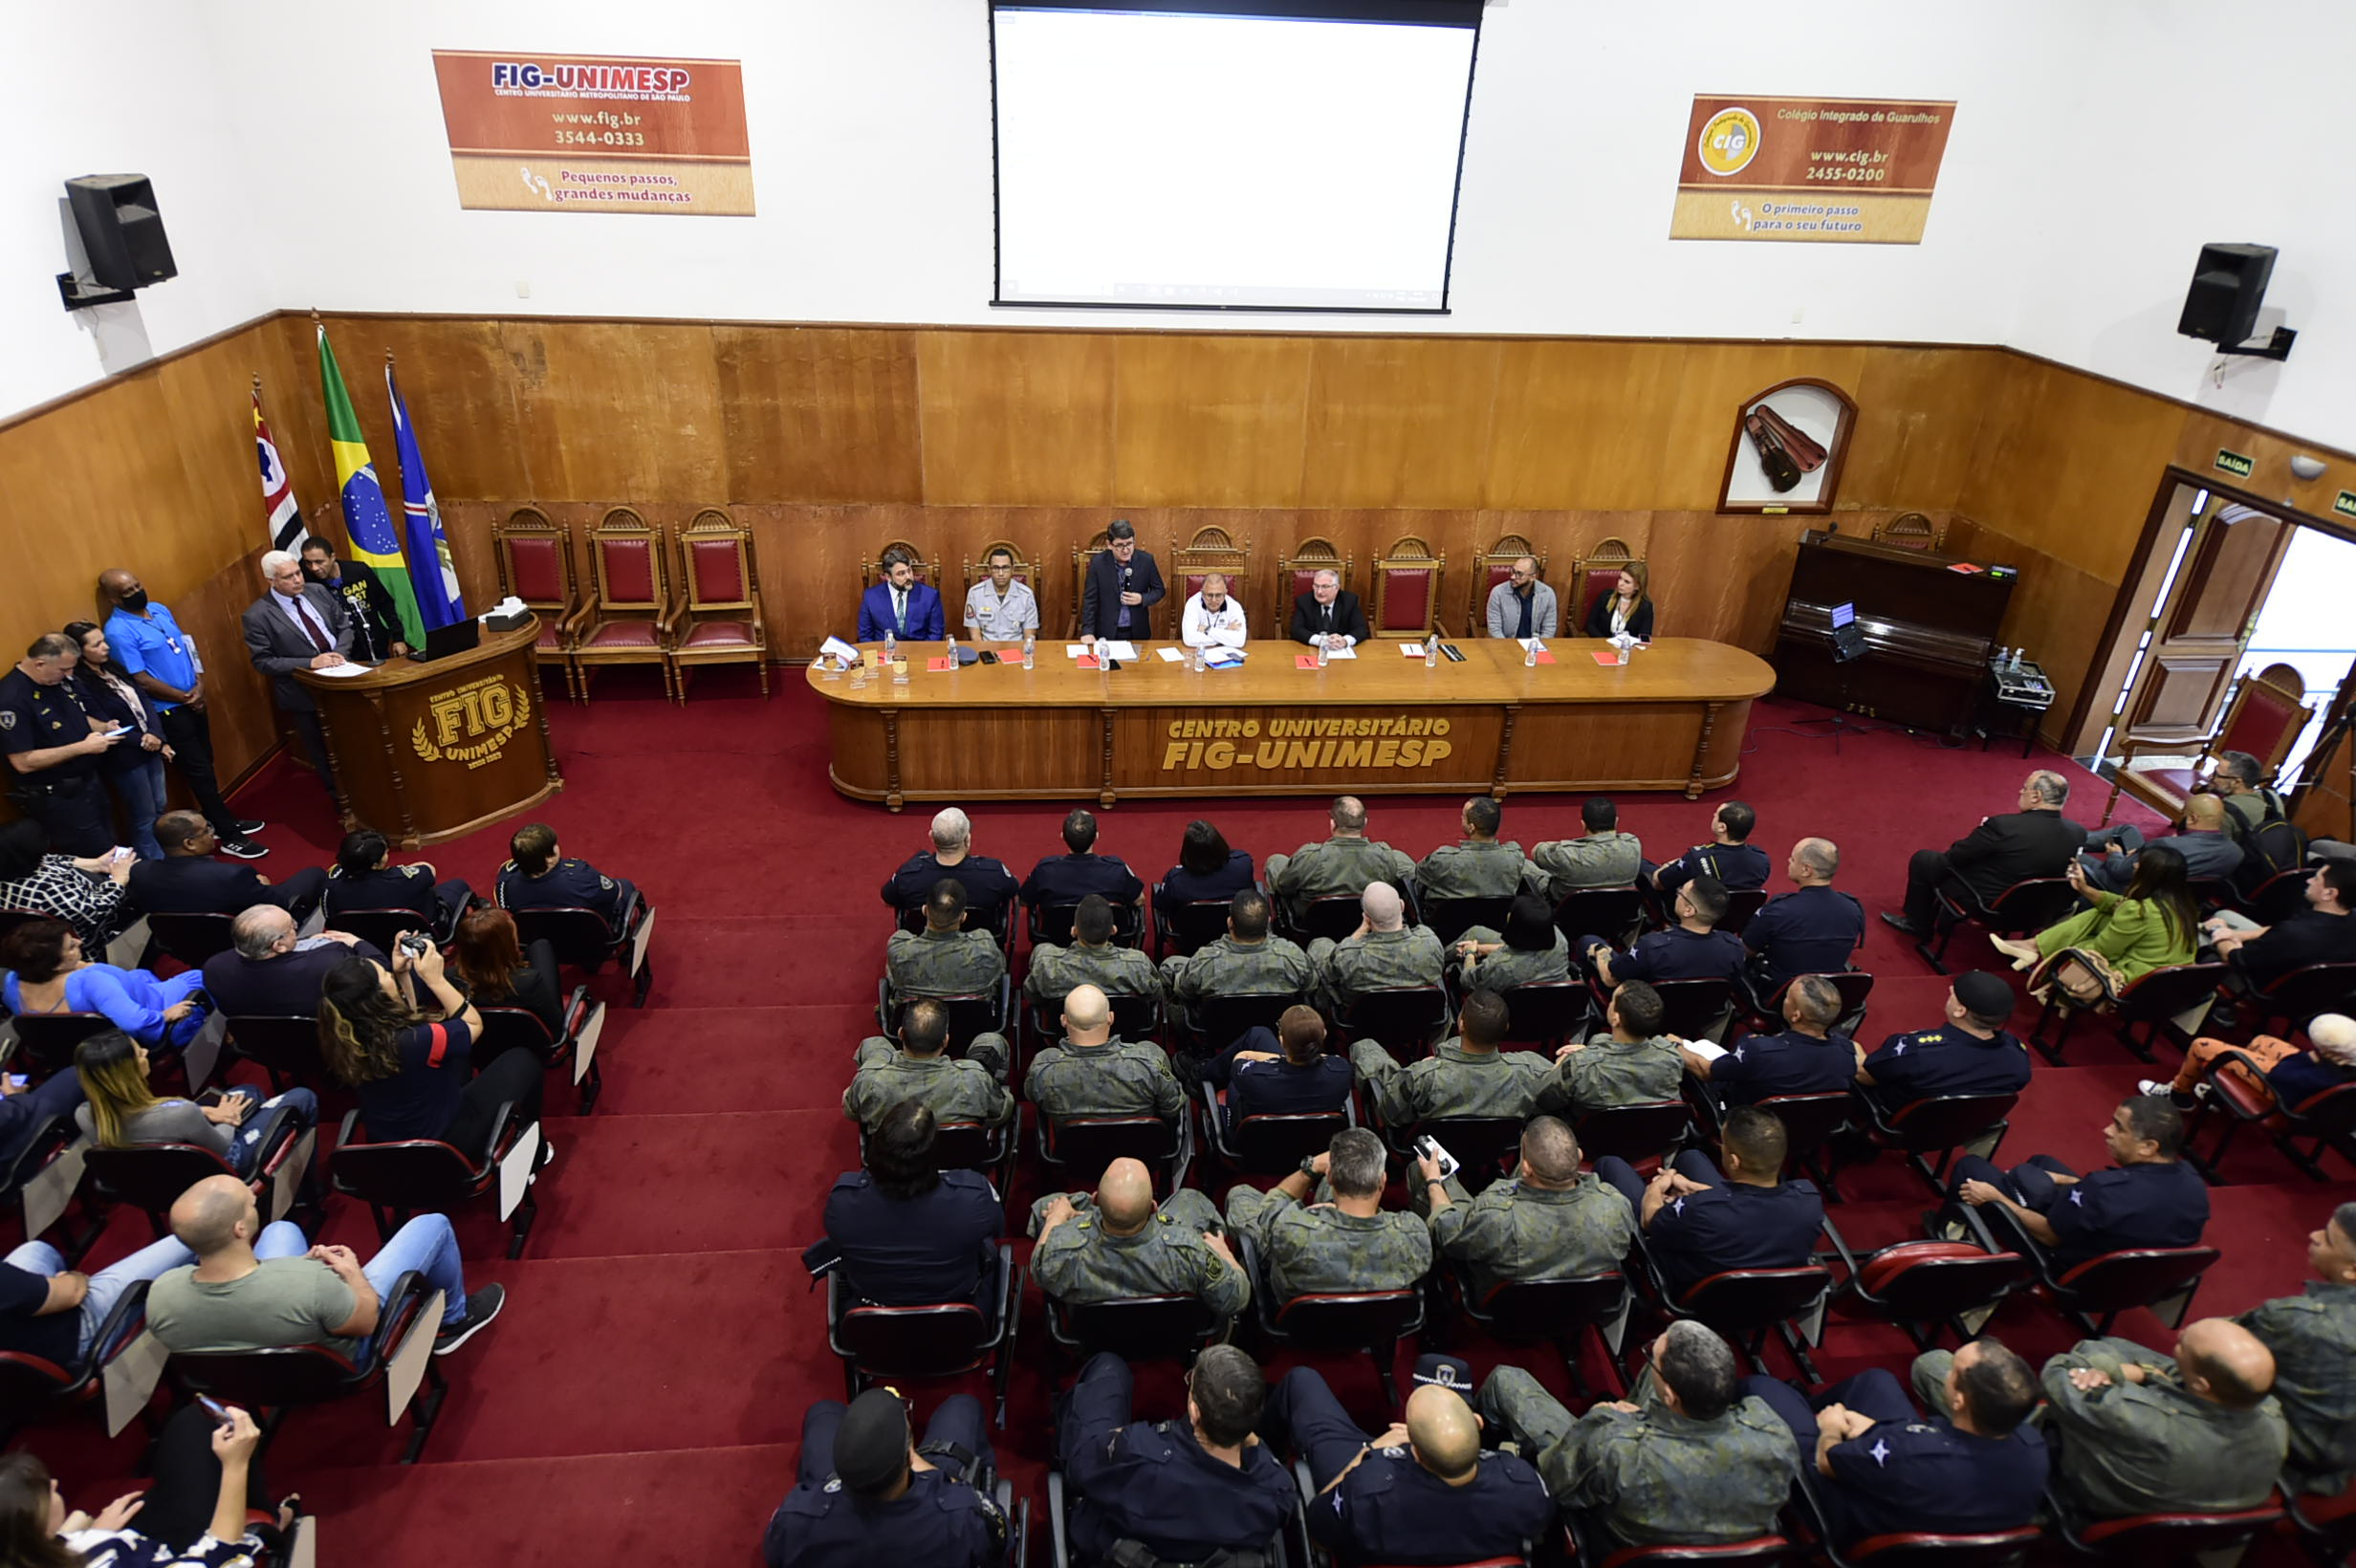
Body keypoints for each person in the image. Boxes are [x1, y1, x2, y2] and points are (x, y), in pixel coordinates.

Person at [1477, 1322, 1798, 1547]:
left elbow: (1553, 1479)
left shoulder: (1616, 1446)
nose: (1649, 1358)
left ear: (1670, 1397)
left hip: (1620, 1540)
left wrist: (1603, 1418)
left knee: (1507, 1380)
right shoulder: (1773, 1434)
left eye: (1652, 1356)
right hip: (1722, 1546)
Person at [146, 1172, 502, 1358]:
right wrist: (353, 1275)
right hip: (342, 1354)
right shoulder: (311, 1281)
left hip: (251, 1358)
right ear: (240, 1229)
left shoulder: (161, 1294)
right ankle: (453, 1322)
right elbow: (366, 1322)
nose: (255, 1201)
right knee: (433, 1225)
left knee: (281, 1229)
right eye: (249, 1202)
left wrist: (291, 1272)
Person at [1747, 1339, 2047, 1548]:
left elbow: (1828, 1462)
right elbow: (1917, 1445)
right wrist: (1875, 1430)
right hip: (1917, 1487)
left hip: (1856, 1518)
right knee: (1875, 1382)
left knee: (1763, 1387)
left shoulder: (1911, 1455)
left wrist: (1831, 1428)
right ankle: (1804, 1403)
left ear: (1959, 1400)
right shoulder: (2033, 1446)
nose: (1947, 1373)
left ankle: (1793, 1405)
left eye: (1952, 1370)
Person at [1269, 1365, 1552, 1562]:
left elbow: (1318, 1534)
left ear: (1413, 1451)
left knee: (1301, 1381)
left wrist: (1370, 1450)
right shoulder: (1526, 1487)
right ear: (1477, 1423)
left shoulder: (1368, 1491)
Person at [1058, 1346, 1297, 1565]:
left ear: (1194, 1411)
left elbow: (1081, 1469)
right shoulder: (1275, 1493)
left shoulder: (1136, 1454)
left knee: (1109, 1366)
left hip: (1112, 1553)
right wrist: (1246, 1434)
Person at [2036, 1322, 2286, 1519]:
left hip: (2098, 1505)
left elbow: (2059, 1373)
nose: (2181, 1333)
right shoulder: (2274, 1420)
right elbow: (2173, 1370)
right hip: (2194, 1521)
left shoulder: (2133, 1416)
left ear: (2201, 1386)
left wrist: (2111, 1368)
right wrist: (2145, 1371)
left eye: (2182, 1344)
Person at [98, 566, 267, 859]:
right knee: (198, 771)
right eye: (127, 592)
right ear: (114, 598)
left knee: (207, 762)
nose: (136, 592)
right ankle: (228, 835)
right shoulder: (118, 631)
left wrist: (199, 684)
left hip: (194, 699)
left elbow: (186, 646)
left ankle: (217, 819)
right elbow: (140, 679)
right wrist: (184, 698)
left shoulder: (158, 609)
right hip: (169, 711)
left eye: (137, 585)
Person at [318, 940, 545, 1157]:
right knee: (523, 1059)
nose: (389, 974)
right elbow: (473, 1024)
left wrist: (402, 974)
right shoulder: (418, 1040)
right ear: (379, 996)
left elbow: (406, 1020)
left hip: (389, 1141)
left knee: (457, 1060)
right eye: (386, 975)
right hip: (448, 1140)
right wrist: (437, 980)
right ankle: (536, 1152)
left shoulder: (342, 1038)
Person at [1943, 1094, 2210, 1269]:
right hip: (2122, 1268)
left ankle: (1950, 1233)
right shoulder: (2194, 1187)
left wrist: (1996, 1198)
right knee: (2042, 1163)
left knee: (1972, 1168)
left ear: (2148, 1147)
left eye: (2119, 1127)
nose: (2107, 1131)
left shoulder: (2103, 1190)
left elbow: (2050, 1236)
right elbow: (2106, 1199)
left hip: (2063, 1260)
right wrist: (2069, 1182)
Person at [11, 1403, 293, 1566]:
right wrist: (235, 1466)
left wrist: (88, 1536)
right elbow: (217, 1559)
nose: (54, 1483)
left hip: (114, 1546)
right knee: (204, 1429)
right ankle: (272, 1523)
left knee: (193, 1421)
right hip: (184, 1557)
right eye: (42, 1491)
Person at [761, 1387, 1003, 1568]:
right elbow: (1001, 1542)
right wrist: (919, 1462)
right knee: (962, 1406)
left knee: (823, 1412)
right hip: (930, 1496)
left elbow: (775, 1555)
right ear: (908, 1458)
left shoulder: (795, 1520)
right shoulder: (963, 1517)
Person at [1602, 1106, 1824, 1296]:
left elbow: (1649, 1220)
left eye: (1723, 1144)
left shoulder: (1701, 1211)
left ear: (1734, 1161)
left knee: (1611, 1165)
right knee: (1692, 1157)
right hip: (1771, 1293)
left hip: (1698, 1292)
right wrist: (1694, 1188)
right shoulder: (1809, 1200)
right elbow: (1746, 1206)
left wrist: (1658, 1186)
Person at [1419, 1115, 1636, 1298]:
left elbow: (1444, 1230)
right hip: (1581, 1305)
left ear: (1526, 1168)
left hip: (1505, 1306)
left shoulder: (1496, 1218)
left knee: (1419, 1171)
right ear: (1579, 1156)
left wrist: (1434, 1181)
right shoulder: (1615, 1206)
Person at [821, 1101, 1001, 1306]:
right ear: (937, 1155)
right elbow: (997, 1228)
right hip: (959, 1309)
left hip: (873, 1312)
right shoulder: (974, 1196)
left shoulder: (842, 1202)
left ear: (875, 1149)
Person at [1224, 1128, 1431, 1303]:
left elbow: (1274, 1204)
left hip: (1300, 1316)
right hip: (1376, 1323)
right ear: (1383, 1181)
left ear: (1330, 1175)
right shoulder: (1413, 1235)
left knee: (1240, 1195)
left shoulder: (1290, 1231)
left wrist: (1311, 1168)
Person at [75, 1029, 316, 1179]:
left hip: (159, 1177)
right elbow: (224, 1148)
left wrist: (204, 1111)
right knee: (302, 1097)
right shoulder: (181, 1113)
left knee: (248, 1092)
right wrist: (228, 1116)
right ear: (127, 1073)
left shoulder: (84, 1114)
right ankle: (305, 1183)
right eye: (139, 1053)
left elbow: (161, 1121)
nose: (146, 1052)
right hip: (222, 1168)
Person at [1030, 1158, 1247, 1319]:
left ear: (1094, 1200)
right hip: (1167, 1333)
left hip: (1094, 1337)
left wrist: (1056, 1219)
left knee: (1049, 1205)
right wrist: (1225, 1254)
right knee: (1191, 1198)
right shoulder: (1191, 1251)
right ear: (1154, 1208)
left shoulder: (1062, 1252)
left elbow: (1039, 1266)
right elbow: (1235, 1299)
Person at [2236, 1204, 2356, 1494]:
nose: (2313, 1235)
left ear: (2352, 1269)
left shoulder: (2295, 1320)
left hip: (2289, 1463)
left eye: (2327, 1238)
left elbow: (2214, 1357)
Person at [1884, 770, 2088, 937]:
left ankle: (1917, 924)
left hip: (1989, 907)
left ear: (2036, 796)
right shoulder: (2078, 833)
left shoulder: (2003, 826)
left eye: (2024, 788)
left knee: (1924, 860)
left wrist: (1980, 833)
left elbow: (1956, 856)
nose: (2020, 791)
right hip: (2038, 911)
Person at [1991, 844, 2196, 1005]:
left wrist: (2067, 948)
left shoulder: (2139, 911)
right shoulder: (2184, 907)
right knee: (2101, 913)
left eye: (2139, 864)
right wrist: (2084, 888)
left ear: (2149, 875)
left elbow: (2104, 950)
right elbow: (2118, 905)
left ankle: (2037, 952)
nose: (2134, 866)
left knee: (2086, 941)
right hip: (2165, 985)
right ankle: (2032, 946)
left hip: (2132, 980)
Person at [0, 1219, 195, 1376]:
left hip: (14, 1357)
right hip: (74, 1342)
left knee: (34, 1250)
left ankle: (41, 1290)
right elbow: (73, 1293)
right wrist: (71, 1279)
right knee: (191, 1237)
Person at [239, 549, 354, 800]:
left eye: (298, 573)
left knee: (354, 741)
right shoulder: (257, 616)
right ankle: (341, 800)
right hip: (304, 694)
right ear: (271, 580)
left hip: (344, 678)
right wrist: (311, 662)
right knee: (323, 750)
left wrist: (339, 653)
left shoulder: (317, 591)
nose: (298, 580)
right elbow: (263, 662)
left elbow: (344, 627)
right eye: (288, 577)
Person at [0, 632, 126, 857]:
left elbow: (75, 717)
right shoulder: (12, 699)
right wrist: (82, 748)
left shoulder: (56, 682)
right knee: (98, 857)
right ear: (40, 664)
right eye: (64, 669)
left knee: (111, 845)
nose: (69, 675)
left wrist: (104, 727)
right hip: (59, 797)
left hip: (89, 782)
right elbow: (23, 762)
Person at [1351, 988, 1552, 1125]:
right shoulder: (1530, 1069)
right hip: (1493, 1147)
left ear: (1461, 1024)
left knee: (1365, 1047)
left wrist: (1426, 1067)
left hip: (1432, 1151)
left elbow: (1389, 1113)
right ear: (1506, 1028)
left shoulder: (1423, 1077)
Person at [1, 919, 208, 1049]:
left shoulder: (12, 981)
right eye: (71, 946)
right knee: (200, 976)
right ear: (56, 965)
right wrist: (163, 1016)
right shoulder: (92, 981)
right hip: (146, 1016)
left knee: (141, 975)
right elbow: (135, 1023)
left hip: (66, 1044)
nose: (80, 942)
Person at [61, 620, 171, 860]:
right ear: (79, 651)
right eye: (96, 644)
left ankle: (167, 856)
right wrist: (142, 740)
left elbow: (143, 700)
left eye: (103, 641)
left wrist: (156, 735)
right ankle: (154, 866)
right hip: (125, 755)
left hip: (151, 745)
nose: (106, 647)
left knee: (159, 806)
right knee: (144, 815)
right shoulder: (79, 682)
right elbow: (102, 721)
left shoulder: (113, 667)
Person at [1855, 970, 2032, 1108]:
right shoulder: (2018, 1059)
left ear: (1960, 1011)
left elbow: (1866, 1075)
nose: (1949, 993)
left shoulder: (1916, 1051)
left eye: (1953, 995)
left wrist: (1851, 1047)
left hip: (1896, 1117)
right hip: (1958, 1127)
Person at [1026, 984, 1185, 1125]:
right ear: (1110, 1017)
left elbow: (1032, 1097)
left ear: (1063, 1020)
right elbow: (1172, 1106)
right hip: (1138, 1145)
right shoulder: (1149, 1061)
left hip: (1072, 1147)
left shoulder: (1043, 1070)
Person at [127, 811, 325, 924]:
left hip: (185, 946)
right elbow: (277, 903)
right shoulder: (232, 875)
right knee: (314, 874)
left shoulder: (139, 872)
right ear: (189, 844)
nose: (212, 834)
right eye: (206, 830)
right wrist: (266, 887)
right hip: (243, 938)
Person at [845, 997, 1014, 1128]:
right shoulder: (974, 1079)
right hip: (959, 1158)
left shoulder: (870, 1081)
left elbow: (852, 1111)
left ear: (901, 1034)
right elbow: (1002, 1111)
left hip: (893, 1156)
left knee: (873, 1044)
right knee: (991, 1040)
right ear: (945, 1041)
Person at [1688, 972, 1851, 1107]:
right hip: (1802, 1127)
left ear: (1796, 1015)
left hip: (1742, 1121)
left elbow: (1706, 1071)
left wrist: (1677, 1045)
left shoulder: (1759, 1051)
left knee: (1696, 1049)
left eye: (1787, 997)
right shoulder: (1848, 1053)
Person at [2146, 1011, 2356, 1116]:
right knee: (2262, 1041)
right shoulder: (2346, 1063)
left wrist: (2310, 1058)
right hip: (2302, 1077)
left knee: (2201, 1046)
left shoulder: (2319, 1075)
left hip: (2281, 1089)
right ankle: (2218, 1094)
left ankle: (2178, 1095)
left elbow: (2280, 1074)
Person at [1161, 888, 1313, 1031]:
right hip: (1277, 1028)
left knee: (1170, 965)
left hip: (1218, 1030)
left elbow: (1183, 990)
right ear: (1268, 922)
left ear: (1230, 922)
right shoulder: (1292, 956)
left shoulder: (1206, 960)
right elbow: (1310, 986)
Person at [201, 905, 383, 1019]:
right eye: (292, 927)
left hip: (264, 1046)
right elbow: (379, 970)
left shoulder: (214, 967)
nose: (295, 929)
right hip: (330, 1042)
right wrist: (356, 942)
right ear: (278, 946)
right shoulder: (330, 963)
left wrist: (307, 941)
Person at [2203, 860, 2356, 992]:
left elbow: (2232, 958)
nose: (2309, 881)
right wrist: (2239, 935)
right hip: (2314, 993)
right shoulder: (2345, 918)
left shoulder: (2293, 933)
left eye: (2316, 878)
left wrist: (2217, 930)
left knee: (2204, 936)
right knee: (2225, 915)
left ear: (2329, 893)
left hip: (2257, 986)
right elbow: (2281, 930)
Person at [1264, 795, 1416, 926]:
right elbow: (1407, 878)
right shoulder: (1386, 856)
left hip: (1315, 924)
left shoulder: (1309, 857)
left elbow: (1284, 886)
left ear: (1333, 823)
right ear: (1365, 822)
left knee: (1275, 861)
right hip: (1369, 920)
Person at [1537, 980, 1682, 1116]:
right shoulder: (1672, 1057)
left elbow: (1545, 1101)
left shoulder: (1581, 1069)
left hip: (1588, 1132)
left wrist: (1560, 1067)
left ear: (1616, 1019)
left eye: (1612, 1001)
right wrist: (1589, 1053)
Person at [1744, 838, 1864, 994]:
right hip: (1830, 991)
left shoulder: (1778, 911)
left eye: (1793, 859)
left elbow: (1747, 950)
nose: (1789, 861)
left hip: (1784, 994)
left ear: (1806, 870)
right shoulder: (1854, 909)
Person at [1308, 882, 1444, 1016]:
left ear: (1366, 917)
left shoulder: (1350, 958)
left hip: (1364, 1020)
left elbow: (1331, 967)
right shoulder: (1430, 945)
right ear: (1402, 906)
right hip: (1418, 1017)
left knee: (1319, 944)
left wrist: (1361, 930)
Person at [1588, 875, 1747, 987]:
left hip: (1647, 1014)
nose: (1678, 894)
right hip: (1701, 1014)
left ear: (1689, 910)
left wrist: (1601, 951)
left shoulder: (1652, 946)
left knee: (1588, 941)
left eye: (1681, 892)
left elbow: (1610, 979)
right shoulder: (1734, 948)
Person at [1210, 1004, 1353, 1126]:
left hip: (1259, 1142)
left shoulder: (1252, 1077)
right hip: (1318, 1139)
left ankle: (1201, 1076)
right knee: (1259, 1034)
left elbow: (1241, 1058)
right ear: (1324, 1034)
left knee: (1234, 1083)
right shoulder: (1342, 1071)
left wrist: (1280, 1057)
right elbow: (1326, 1059)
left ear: (1282, 1041)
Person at [495, 821, 643, 939]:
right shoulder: (580, 876)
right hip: (590, 940)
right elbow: (611, 894)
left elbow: (506, 909)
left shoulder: (506, 883)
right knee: (625, 886)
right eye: (554, 845)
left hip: (542, 942)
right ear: (549, 858)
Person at [0, 820, 129, 954]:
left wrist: (97, 863)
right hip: (85, 942)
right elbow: (96, 910)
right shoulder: (47, 891)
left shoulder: (14, 863)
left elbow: (53, 859)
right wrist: (119, 878)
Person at [447, 904, 566, 1044]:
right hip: (530, 1044)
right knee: (541, 946)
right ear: (505, 944)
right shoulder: (529, 981)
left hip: (477, 1045)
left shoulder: (448, 979)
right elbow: (556, 1026)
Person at [879, 807, 1020, 926]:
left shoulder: (908, 874)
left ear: (931, 836)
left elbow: (889, 899)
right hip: (979, 941)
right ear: (967, 839)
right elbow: (1013, 891)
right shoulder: (993, 872)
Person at [2079, 792, 2242, 892]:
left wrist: (2115, 855)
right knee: (2128, 830)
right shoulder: (2236, 853)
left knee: (2076, 856)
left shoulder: (2165, 846)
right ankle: (2075, 837)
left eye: (2182, 814)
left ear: (2192, 818)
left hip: (2133, 890)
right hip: (2177, 896)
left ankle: (2070, 842)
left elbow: (2119, 871)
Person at [324, 827, 471, 935]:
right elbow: (429, 870)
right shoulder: (402, 880)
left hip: (366, 940)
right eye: (385, 853)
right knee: (458, 885)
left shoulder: (332, 886)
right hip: (420, 933)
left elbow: (330, 917)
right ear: (374, 865)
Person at [884, 879, 1008, 1009]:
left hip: (915, 1018)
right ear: (963, 917)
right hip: (974, 1019)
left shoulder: (899, 948)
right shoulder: (984, 948)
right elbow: (999, 971)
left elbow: (894, 980)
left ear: (925, 910)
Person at [299, 534, 408, 663]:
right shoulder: (308, 583)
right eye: (308, 563)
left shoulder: (358, 571)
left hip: (375, 642)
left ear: (332, 557)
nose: (314, 568)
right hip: (343, 651)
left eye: (319, 562)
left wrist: (398, 638)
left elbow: (385, 603)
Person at [1414, 795, 1539, 903]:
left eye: (1463, 816)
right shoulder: (1515, 856)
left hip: (1449, 921)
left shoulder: (1443, 860)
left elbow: (1420, 874)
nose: (1461, 818)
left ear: (1471, 827)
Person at [1020, 808, 1145, 912]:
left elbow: (1024, 900)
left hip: (1057, 934)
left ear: (1062, 836)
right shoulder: (1117, 869)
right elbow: (1139, 900)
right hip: (1107, 932)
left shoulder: (1045, 870)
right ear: (1096, 836)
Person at [1531, 795, 1642, 901]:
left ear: (1583, 824)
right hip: (1621, 911)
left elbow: (1536, 852)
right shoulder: (1633, 845)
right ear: (1616, 821)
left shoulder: (1566, 854)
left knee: (1527, 866)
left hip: (1568, 910)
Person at [1451, 894, 1572, 991]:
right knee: (1477, 932)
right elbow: (1526, 949)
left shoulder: (1500, 967)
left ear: (1517, 930)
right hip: (1555, 996)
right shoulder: (1558, 938)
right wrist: (1481, 949)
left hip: (1506, 1003)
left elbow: (1466, 981)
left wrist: (1470, 953)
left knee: (1470, 939)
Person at [1652, 800, 1770, 898]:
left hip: (1700, 913)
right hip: (1740, 915)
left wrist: (1669, 864)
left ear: (1722, 827)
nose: (1713, 815)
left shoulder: (1697, 859)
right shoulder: (1762, 860)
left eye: (1716, 815)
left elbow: (1659, 883)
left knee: (1646, 868)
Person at [1079, 518, 1167, 645]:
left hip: (1137, 632)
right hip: (1106, 633)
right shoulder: (1098, 564)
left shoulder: (1146, 561)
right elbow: (1090, 600)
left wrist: (1142, 598)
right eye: (1120, 545)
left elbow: (1159, 590)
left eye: (1129, 544)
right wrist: (1087, 631)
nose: (1125, 550)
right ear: (1109, 544)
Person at [1153, 818, 1254, 915]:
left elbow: (1161, 906)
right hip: (1235, 924)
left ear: (1187, 853)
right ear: (1220, 845)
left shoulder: (1175, 881)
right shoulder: (1244, 864)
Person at [857, 546, 946, 643]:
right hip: (884, 651)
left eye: (909, 570)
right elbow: (865, 636)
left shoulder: (930, 596)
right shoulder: (870, 597)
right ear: (888, 577)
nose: (908, 577)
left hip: (919, 651)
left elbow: (936, 634)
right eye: (901, 573)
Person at [961, 545, 1038, 643]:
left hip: (1017, 649)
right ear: (989, 569)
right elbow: (976, 638)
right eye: (996, 568)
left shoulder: (1026, 595)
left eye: (1005, 568)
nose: (1001, 573)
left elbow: (1029, 638)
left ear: (1013, 569)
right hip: (986, 649)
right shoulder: (975, 594)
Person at [1287, 567, 1369, 651]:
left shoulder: (1349, 601)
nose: (1319, 592)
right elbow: (1296, 630)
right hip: (1313, 651)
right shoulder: (1304, 601)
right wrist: (1321, 641)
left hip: (1342, 652)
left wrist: (1345, 641)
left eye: (1325, 586)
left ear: (1336, 588)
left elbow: (1361, 629)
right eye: (1316, 586)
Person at [1485, 555, 1558, 641]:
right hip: (1505, 644)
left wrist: (1537, 646)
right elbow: (1494, 629)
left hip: (1534, 645)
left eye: (1519, 574)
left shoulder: (1547, 594)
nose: (1513, 577)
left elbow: (1549, 628)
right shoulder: (1498, 593)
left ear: (1532, 577)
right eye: (1513, 571)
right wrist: (1506, 646)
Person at [1582, 565, 1656, 642]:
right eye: (1620, 578)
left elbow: (1645, 636)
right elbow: (1590, 625)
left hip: (1628, 647)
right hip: (1601, 644)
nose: (1620, 584)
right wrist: (1605, 642)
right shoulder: (1606, 596)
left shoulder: (1646, 607)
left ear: (1637, 586)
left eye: (1626, 582)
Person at [1178, 572, 1247, 649]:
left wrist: (1207, 630)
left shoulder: (1234, 606)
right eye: (1209, 595)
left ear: (1225, 593)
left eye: (1218, 595)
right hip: (1198, 653)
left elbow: (1239, 641)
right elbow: (1189, 639)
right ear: (1202, 592)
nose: (1214, 600)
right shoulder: (1192, 603)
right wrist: (1225, 632)